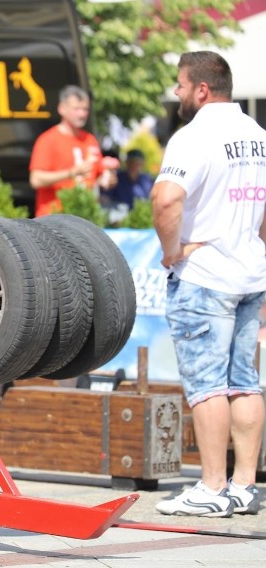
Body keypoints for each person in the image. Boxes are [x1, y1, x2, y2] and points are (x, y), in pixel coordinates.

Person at [152, 51, 265, 517]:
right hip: (249, 271)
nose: (177, 92)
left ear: (201, 89)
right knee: (244, 381)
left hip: (206, 275)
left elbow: (165, 200)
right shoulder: (258, 136)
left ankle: (212, 488)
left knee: (206, 386)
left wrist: (171, 253)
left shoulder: (194, 136)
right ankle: (243, 485)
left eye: (180, 84)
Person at [28, 85, 117, 216]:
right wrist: (71, 173)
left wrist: (108, 180)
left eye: (85, 109)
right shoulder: (48, 140)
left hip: (85, 216)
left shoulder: (90, 139)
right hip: (53, 219)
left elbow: (96, 177)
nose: (82, 114)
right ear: (61, 109)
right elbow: (36, 180)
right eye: (76, 109)